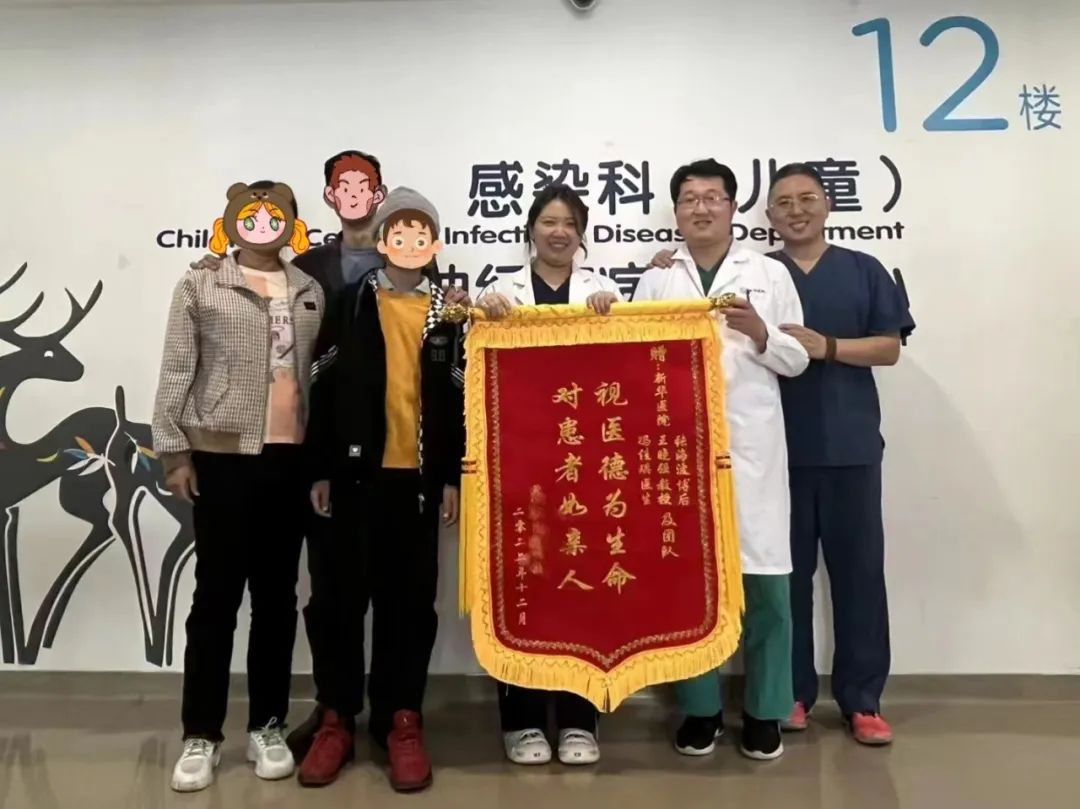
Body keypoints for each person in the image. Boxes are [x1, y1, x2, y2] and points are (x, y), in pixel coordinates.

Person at [152, 181, 325, 793]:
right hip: (222, 458)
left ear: (290, 223)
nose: (263, 223)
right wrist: (174, 452)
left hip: (290, 461)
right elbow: (178, 367)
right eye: (251, 214)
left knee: (276, 600)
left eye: (275, 214)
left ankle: (267, 725)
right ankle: (201, 733)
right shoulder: (202, 283)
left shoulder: (309, 289)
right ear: (232, 221)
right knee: (216, 599)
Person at [633, 159, 808, 761]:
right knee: (689, 585)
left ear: (733, 207)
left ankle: (765, 712)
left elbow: (798, 359)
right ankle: (700, 709)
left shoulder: (768, 273)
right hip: (678, 450)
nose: (701, 208)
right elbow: (634, 365)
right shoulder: (658, 278)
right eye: (689, 199)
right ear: (677, 211)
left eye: (713, 197)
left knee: (767, 588)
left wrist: (761, 331)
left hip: (752, 450)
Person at [305, 187, 465, 793]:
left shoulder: (450, 313)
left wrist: (448, 475)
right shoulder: (349, 303)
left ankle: (402, 719)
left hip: (417, 484)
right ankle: (337, 719)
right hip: (352, 479)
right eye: (399, 231)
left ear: (434, 243)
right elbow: (322, 385)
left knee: (409, 608)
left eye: (420, 232)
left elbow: (459, 399)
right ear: (381, 239)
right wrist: (320, 468)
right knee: (338, 603)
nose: (409, 241)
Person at [764, 163, 914, 745]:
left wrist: (827, 346)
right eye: (783, 202)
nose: (796, 210)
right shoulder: (759, 274)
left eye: (806, 198)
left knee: (859, 577)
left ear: (827, 205)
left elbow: (889, 348)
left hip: (851, 448)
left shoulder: (863, 269)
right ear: (769, 216)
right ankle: (792, 693)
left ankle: (863, 700)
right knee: (786, 581)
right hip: (777, 454)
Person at [475, 184, 621, 766]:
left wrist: (613, 323)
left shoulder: (604, 293)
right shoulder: (498, 294)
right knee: (523, 585)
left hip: (585, 465)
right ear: (531, 229)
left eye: (569, 223)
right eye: (548, 221)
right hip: (520, 461)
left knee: (583, 586)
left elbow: (624, 378)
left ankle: (581, 719)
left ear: (581, 233)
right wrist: (485, 320)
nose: (559, 232)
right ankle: (522, 719)